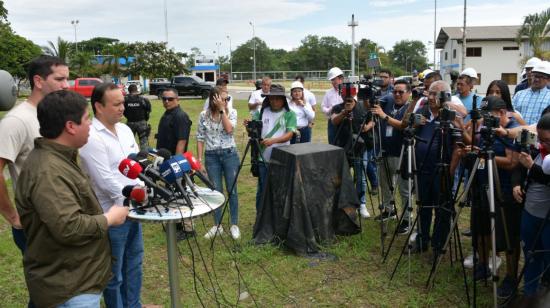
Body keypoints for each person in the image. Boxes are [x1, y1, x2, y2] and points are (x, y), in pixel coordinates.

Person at [15, 90, 129, 308]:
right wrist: (110, 218)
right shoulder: (48, 171)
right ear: (70, 126)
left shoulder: (60, 158)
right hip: (70, 287)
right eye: (87, 119)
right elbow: (69, 226)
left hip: (75, 278)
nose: (90, 125)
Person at [0, 55, 69, 308]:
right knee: (46, 294)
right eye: (59, 79)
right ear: (38, 81)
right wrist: (13, 217)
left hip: (61, 220)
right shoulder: (16, 121)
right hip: (34, 225)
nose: (66, 85)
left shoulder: (53, 115)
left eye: (67, 78)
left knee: (62, 289)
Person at [79, 83, 144, 308]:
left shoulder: (126, 130)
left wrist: (144, 190)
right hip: (112, 215)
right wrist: (135, 195)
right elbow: (104, 180)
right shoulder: (91, 137)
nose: (122, 108)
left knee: (134, 265)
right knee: (114, 275)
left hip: (136, 210)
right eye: (116, 104)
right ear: (98, 106)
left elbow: (138, 164)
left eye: (123, 103)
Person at [413, 80, 461, 254]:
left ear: (445, 96)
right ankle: (422, 239)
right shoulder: (422, 111)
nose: (431, 97)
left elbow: (458, 147)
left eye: (436, 94)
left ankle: (439, 242)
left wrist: (450, 171)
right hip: (422, 169)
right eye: (430, 93)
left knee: (442, 209)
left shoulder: (450, 115)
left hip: (442, 171)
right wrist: (415, 124)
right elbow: (407, 127)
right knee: (423, 206)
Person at [512, 114, 550, 298]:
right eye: (541, 139)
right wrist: (516, 184)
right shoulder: (537, 148)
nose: (544, 144)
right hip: (529, 213)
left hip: (547, 219)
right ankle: (530, 295)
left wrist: (532, 168)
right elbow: (520, 166)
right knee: (531, 256)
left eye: (548, 141)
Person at [197, 86, 241, 240]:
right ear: (213, 99)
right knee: (216, 192)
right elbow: (200, 137)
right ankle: (218, 225)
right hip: (211, 156)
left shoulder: (232, 112)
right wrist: (200, 159)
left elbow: (229, 130)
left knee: (232, 190)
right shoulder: (204, 115)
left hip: (229, 154)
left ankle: (234, 224)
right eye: (222, 98)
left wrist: (223, 111)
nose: (226, 101)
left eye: (227, 98)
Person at [246, 84, 296, 215]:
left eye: (277, 98)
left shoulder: (289, 114)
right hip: (263, 158)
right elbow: (253, 132)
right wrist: (249, 127)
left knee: (280, 188)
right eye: (271, 98)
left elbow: (290, 134)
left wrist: (273, 141)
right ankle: (261, 216)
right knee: (263, 189)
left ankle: (278, 216)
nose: (274, 101)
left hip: (282, 158)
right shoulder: (261, 112)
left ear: (283, 100)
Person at [370, 80, 412, 233]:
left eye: (401, 92)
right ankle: (389, 210)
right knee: (385, 184)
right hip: (385, 150)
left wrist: (384, 116)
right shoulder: (388, 103)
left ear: (409, 93)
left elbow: (403, 125)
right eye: (395, 91)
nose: (397, 94)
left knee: (404, 189)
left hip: (401, 153)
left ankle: (407, 219)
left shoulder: (411, 107)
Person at [156, 88, 195, 240]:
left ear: (177, 99)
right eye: (164, 98)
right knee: (171, 193)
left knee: (182, 193)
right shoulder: (167, 114)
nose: (166, 101)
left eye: (170, 99)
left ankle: (189, 229)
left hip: (176, 163)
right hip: (166, 161)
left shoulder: (180, 116)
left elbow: (182, 140)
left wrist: (176, 164)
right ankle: (177, 224)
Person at [331, 93, 374, 218]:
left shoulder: (363, 106)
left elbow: (373, 121)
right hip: (343, 146)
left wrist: (368, 126)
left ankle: (361, 204)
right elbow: (334, 121)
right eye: (345, 97)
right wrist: (344, 112)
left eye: (350, 97)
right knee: (343, 176)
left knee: (361, 177)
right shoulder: (338, 107)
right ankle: (345, 204)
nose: (348, 100)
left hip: (360, 147)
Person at [513, 61, 550, 125]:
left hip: (540, 134)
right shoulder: (519, 95)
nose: (536, 79)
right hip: (518, 133)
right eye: (535, 76)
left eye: (541, 77)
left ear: (548, 79)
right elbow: (510, 114)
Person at [124, 83, 151, 150]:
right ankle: (144, 157)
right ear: (136, 90)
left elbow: (123, 111)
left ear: (129, 90)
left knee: (129, 142)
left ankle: (130, 157)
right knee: (144, 142)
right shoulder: (143, 100)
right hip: (142, 123)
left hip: (130, 123)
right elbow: (149, 110)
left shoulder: (125, 100)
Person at [322, 67, 345, 144]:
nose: (333, 82)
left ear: (341, 78)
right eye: (332, 80)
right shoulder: (328, 92)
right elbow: (323, 107)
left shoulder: (349, 90)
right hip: (332, 122)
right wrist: (330, 109)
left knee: (345, 143)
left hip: (345, 121)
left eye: (334, 79)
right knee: (332, 143)